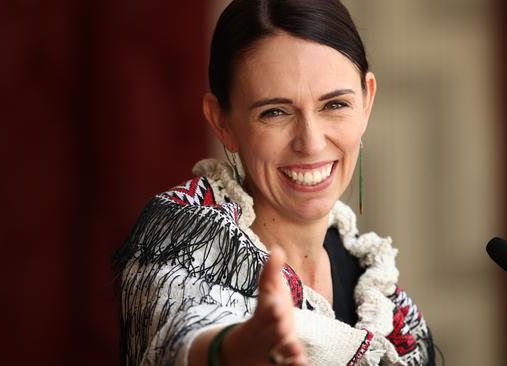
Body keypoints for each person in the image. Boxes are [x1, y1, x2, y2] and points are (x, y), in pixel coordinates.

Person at [113, 0, 435, 365]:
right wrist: (233, 349)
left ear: (367, 101)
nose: (310, 142)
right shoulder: (185, 235)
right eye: (275, 112)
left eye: (334, 105)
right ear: (222, 123)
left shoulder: (378, 292)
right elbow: (183, 332)